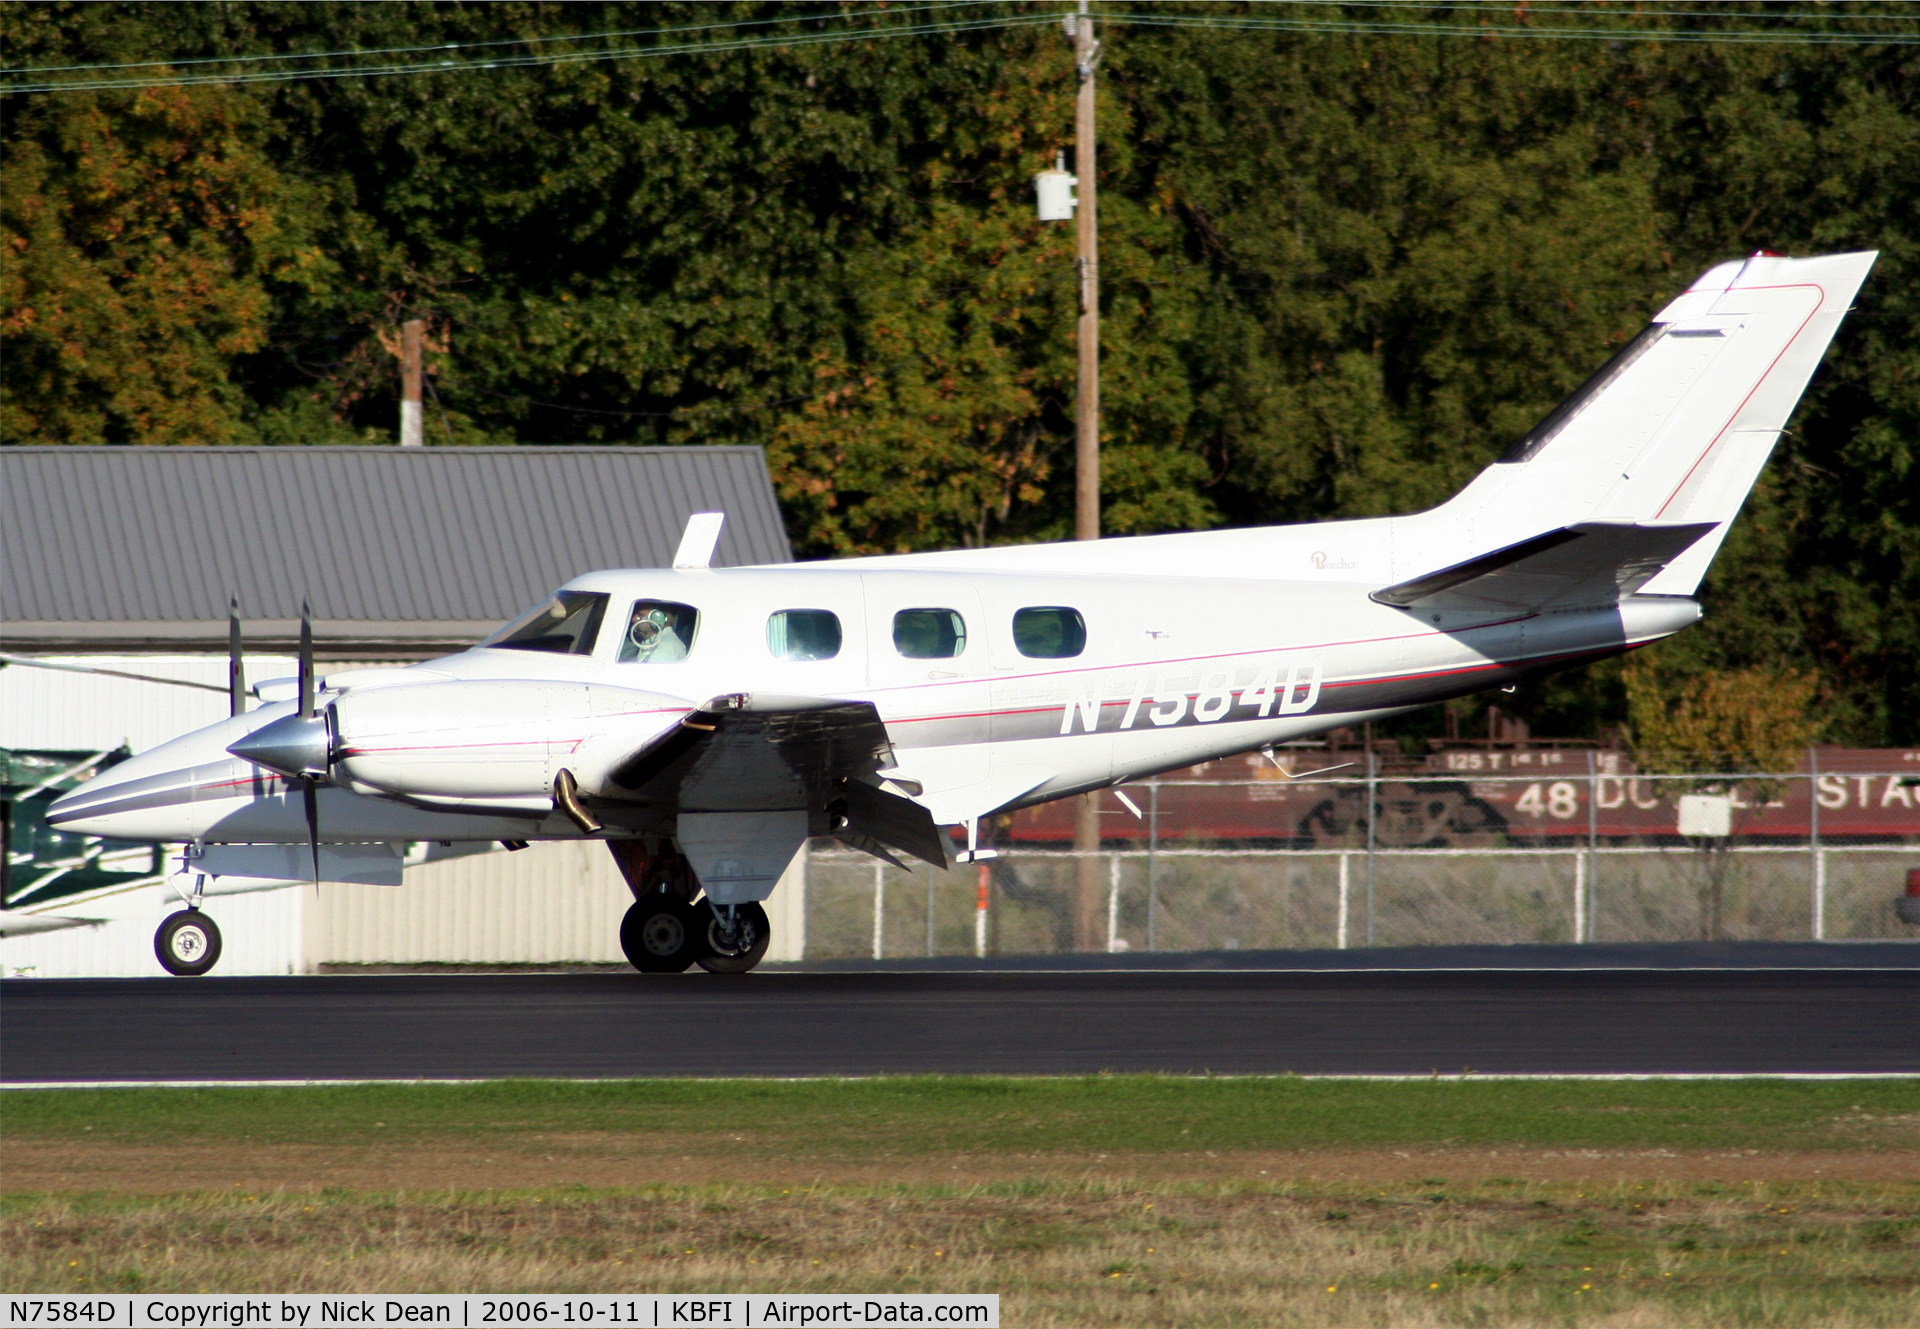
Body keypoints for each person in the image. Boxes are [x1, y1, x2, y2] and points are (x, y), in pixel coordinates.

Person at [623, 601, 693, 663]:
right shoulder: (656, 643)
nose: (633, 619)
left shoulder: (663, 648)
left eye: (640, 616)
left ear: (657, 620)